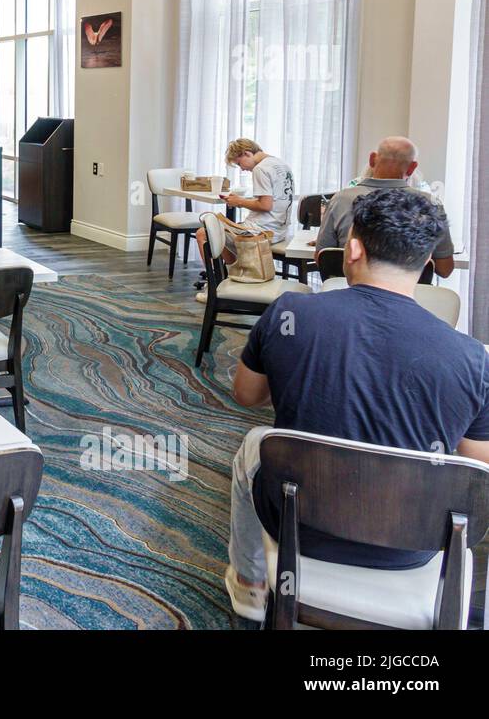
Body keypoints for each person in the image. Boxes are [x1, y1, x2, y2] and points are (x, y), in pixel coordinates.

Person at [223, 189, 489, 622]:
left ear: (354, 248)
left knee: (257, 442)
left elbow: (247, 395)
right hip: (411, 547)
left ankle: (252, 585)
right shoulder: (472, 357)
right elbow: (477, 466)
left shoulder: (290, 312)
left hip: (298, 525)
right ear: (424, 265)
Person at [316, 136, 454, 278]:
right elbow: (445, 269)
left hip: (347, 290)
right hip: (408, 296)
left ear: (372, 159)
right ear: (412, 168)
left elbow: (322, 258)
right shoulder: (429, 204)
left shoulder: (341, 199)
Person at [195, 138, 296, 264]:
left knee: (203, 233)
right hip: (279, 231)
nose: (242, 169)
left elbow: (265, 205)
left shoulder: (260, 169)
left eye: (239, 163)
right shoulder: (281, 164)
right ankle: (230, 274)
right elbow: (274, 201)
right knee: (220, 227)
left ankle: (217, 279)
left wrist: (239, 202)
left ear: (247, 153)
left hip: (260, 232)